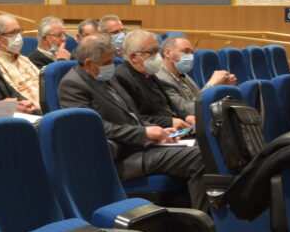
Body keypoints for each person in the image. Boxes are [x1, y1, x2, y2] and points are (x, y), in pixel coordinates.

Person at [58, 34, 208, 212]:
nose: (112, 66)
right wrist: (144, 133)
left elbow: (132, 115)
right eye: (107, 62)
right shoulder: (72, 85)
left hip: (139, 146)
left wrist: (156, 130)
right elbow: (94, 129)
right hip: (121, 157)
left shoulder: (106, 77)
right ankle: (204, 223)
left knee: (204, 146)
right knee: (199, 157)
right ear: (89, 63)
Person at [113, 30, 194, 127]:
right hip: (154, 131)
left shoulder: (148, 72)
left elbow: (168, 105)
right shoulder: (121, 77)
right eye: (152, 52)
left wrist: (186, 117)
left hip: (171, 128)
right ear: (134, 57)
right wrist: (169, 122)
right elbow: (134, 118)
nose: (158, 56)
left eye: (157, 51)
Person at [156, 35, 236, 117]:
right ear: (167, 53)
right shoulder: (161, 79)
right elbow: (188, 111)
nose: (190, 57)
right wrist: (212, 85)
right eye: (186, 51)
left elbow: (197, 98)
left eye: (192, 53)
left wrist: (220, 86)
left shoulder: (183, 74)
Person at [0, 14, 42, 109]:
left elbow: (43, 84)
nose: (19, 37)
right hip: (31, 112)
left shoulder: (24, 59)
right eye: (13, 33)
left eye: (19, 31)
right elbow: (16, 100)